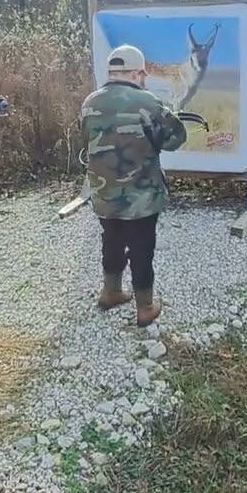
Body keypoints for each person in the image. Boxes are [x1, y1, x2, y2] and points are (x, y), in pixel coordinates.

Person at [79, 44, 188, 327]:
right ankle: (145, 308)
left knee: (111, 240)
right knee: (141, 247)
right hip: (141, 196)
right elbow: (173, 141)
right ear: (138, 73)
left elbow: (86, 139)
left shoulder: (90, 102)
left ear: (112, 72)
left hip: (104, 194)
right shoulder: (149, 102)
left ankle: (111, 292)